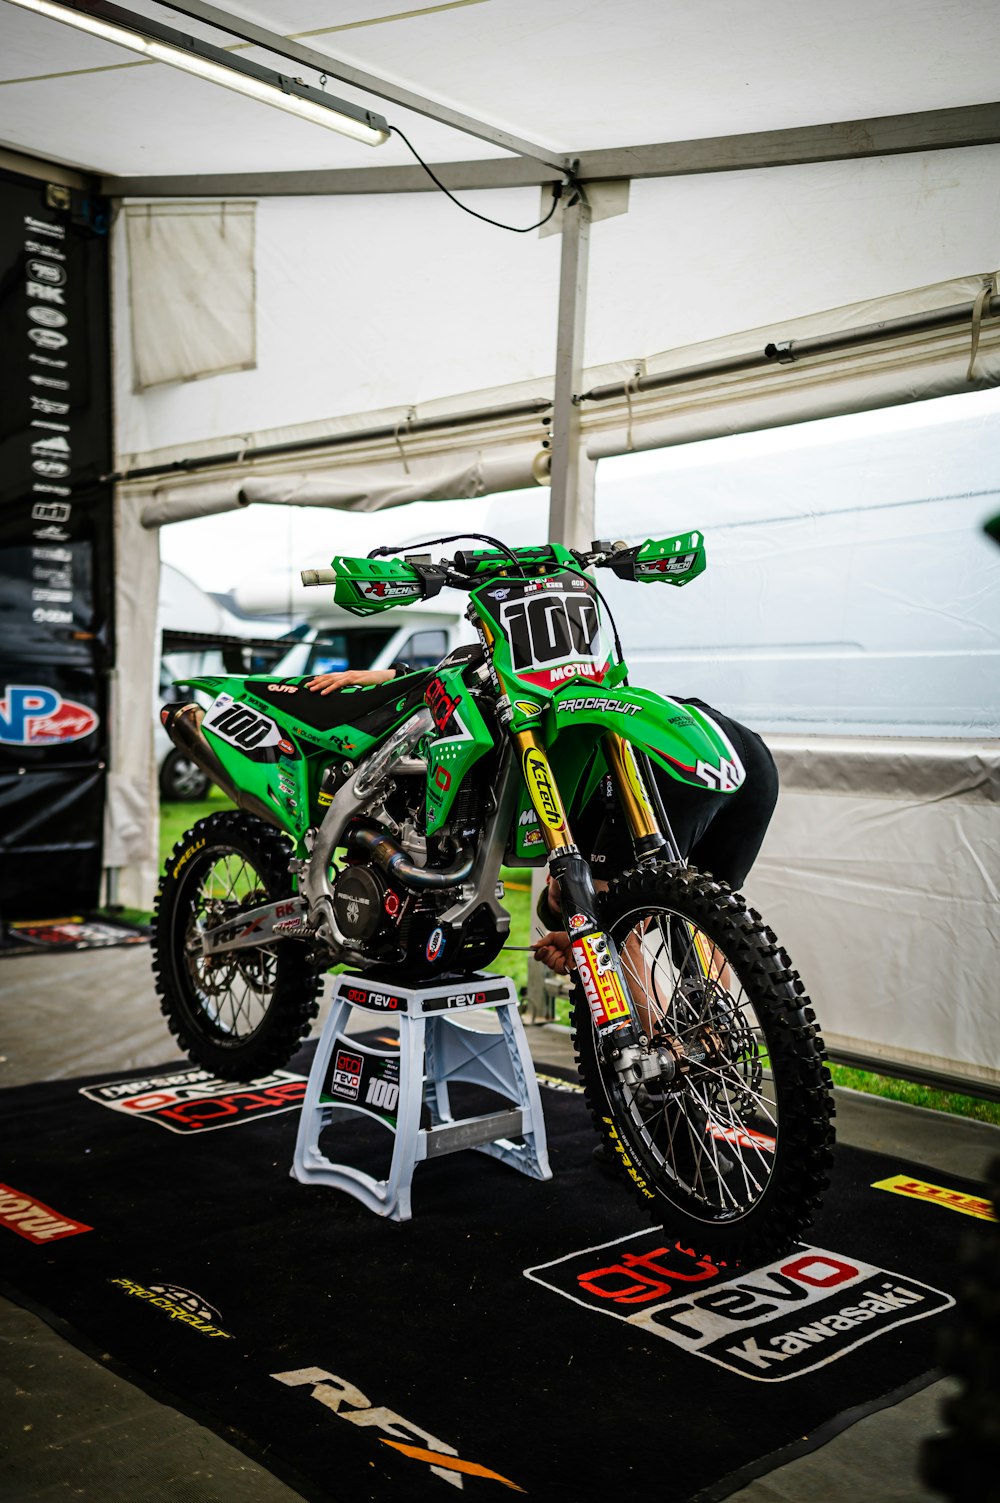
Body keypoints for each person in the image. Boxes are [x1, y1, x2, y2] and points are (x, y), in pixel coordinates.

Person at [305, 668, 779, 973]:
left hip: (668, 754)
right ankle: (716, 1038)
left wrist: (586, 941)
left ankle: (658, 1061)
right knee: (699, 917)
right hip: (740, 752)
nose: (560, 893)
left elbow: (448, 675)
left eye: (560, 899)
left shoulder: (583, 830)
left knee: (611, 929)